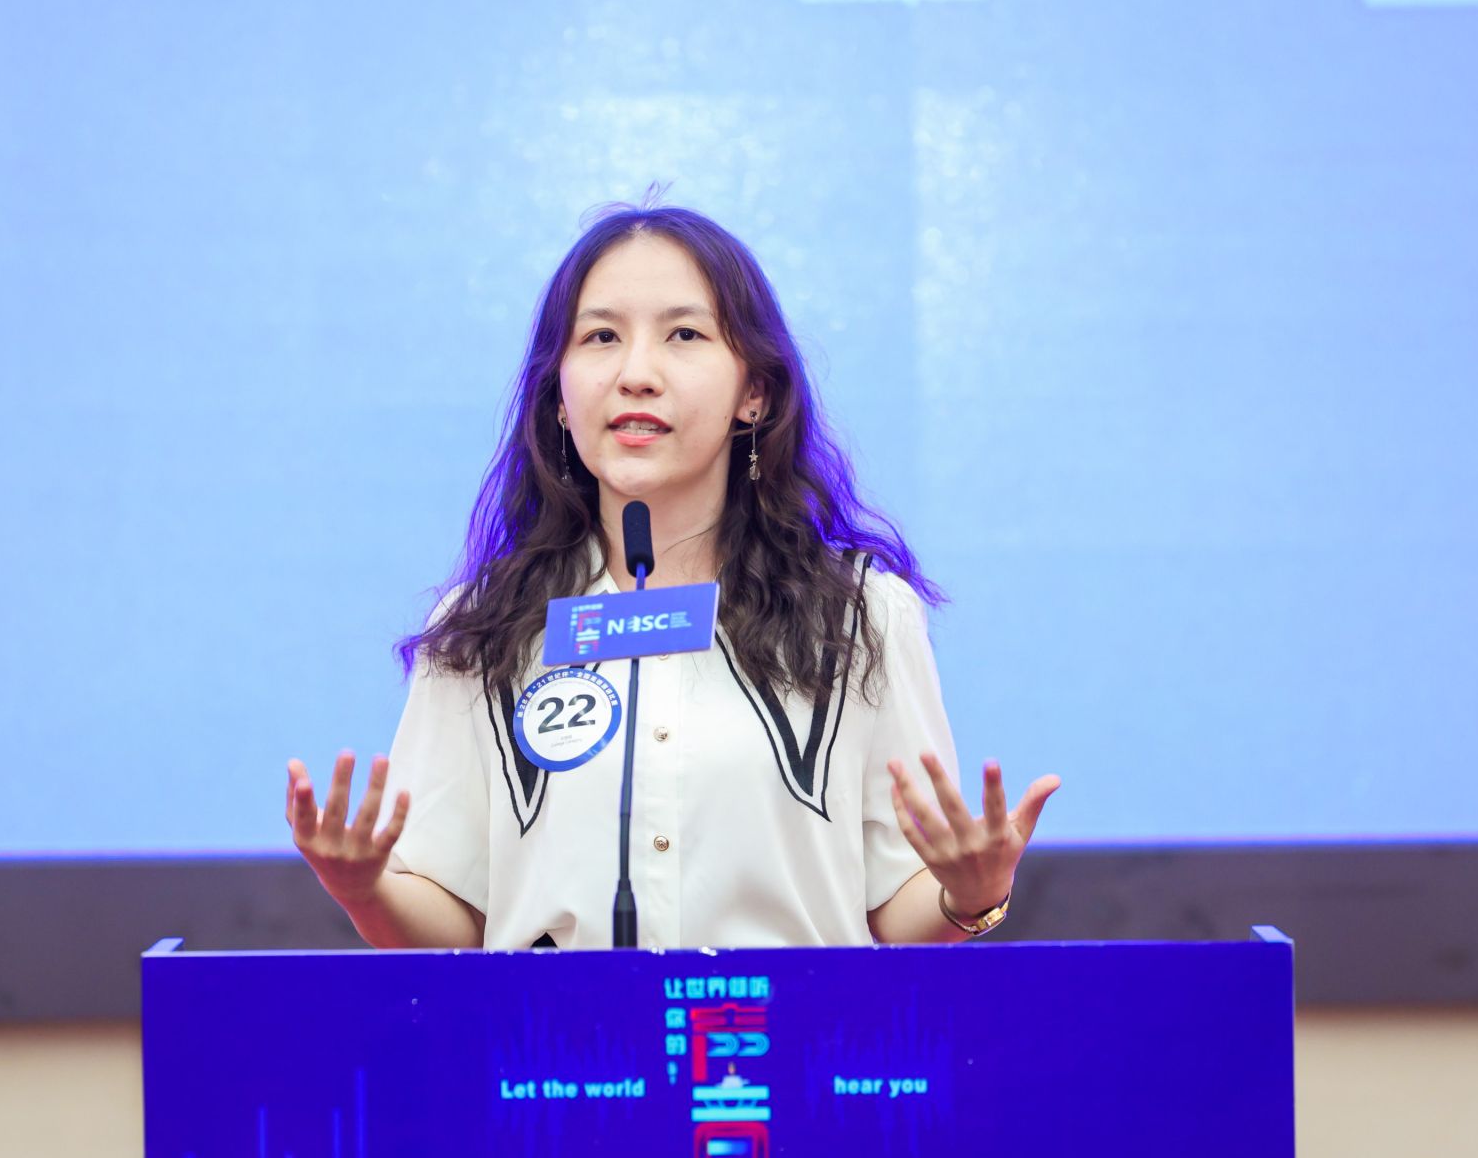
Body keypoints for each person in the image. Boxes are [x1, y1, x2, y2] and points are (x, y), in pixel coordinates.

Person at [285, 201, 1059, 950]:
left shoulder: (860, 616)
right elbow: (457, 926)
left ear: (754, 391)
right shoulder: (485, 632)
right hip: (561, 1039)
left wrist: (972, 892)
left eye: (684, 333)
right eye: (601, 337)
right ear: (559, 395)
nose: (636, 373)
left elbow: (896, 911)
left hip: (779, 1035)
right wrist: (363, 890)